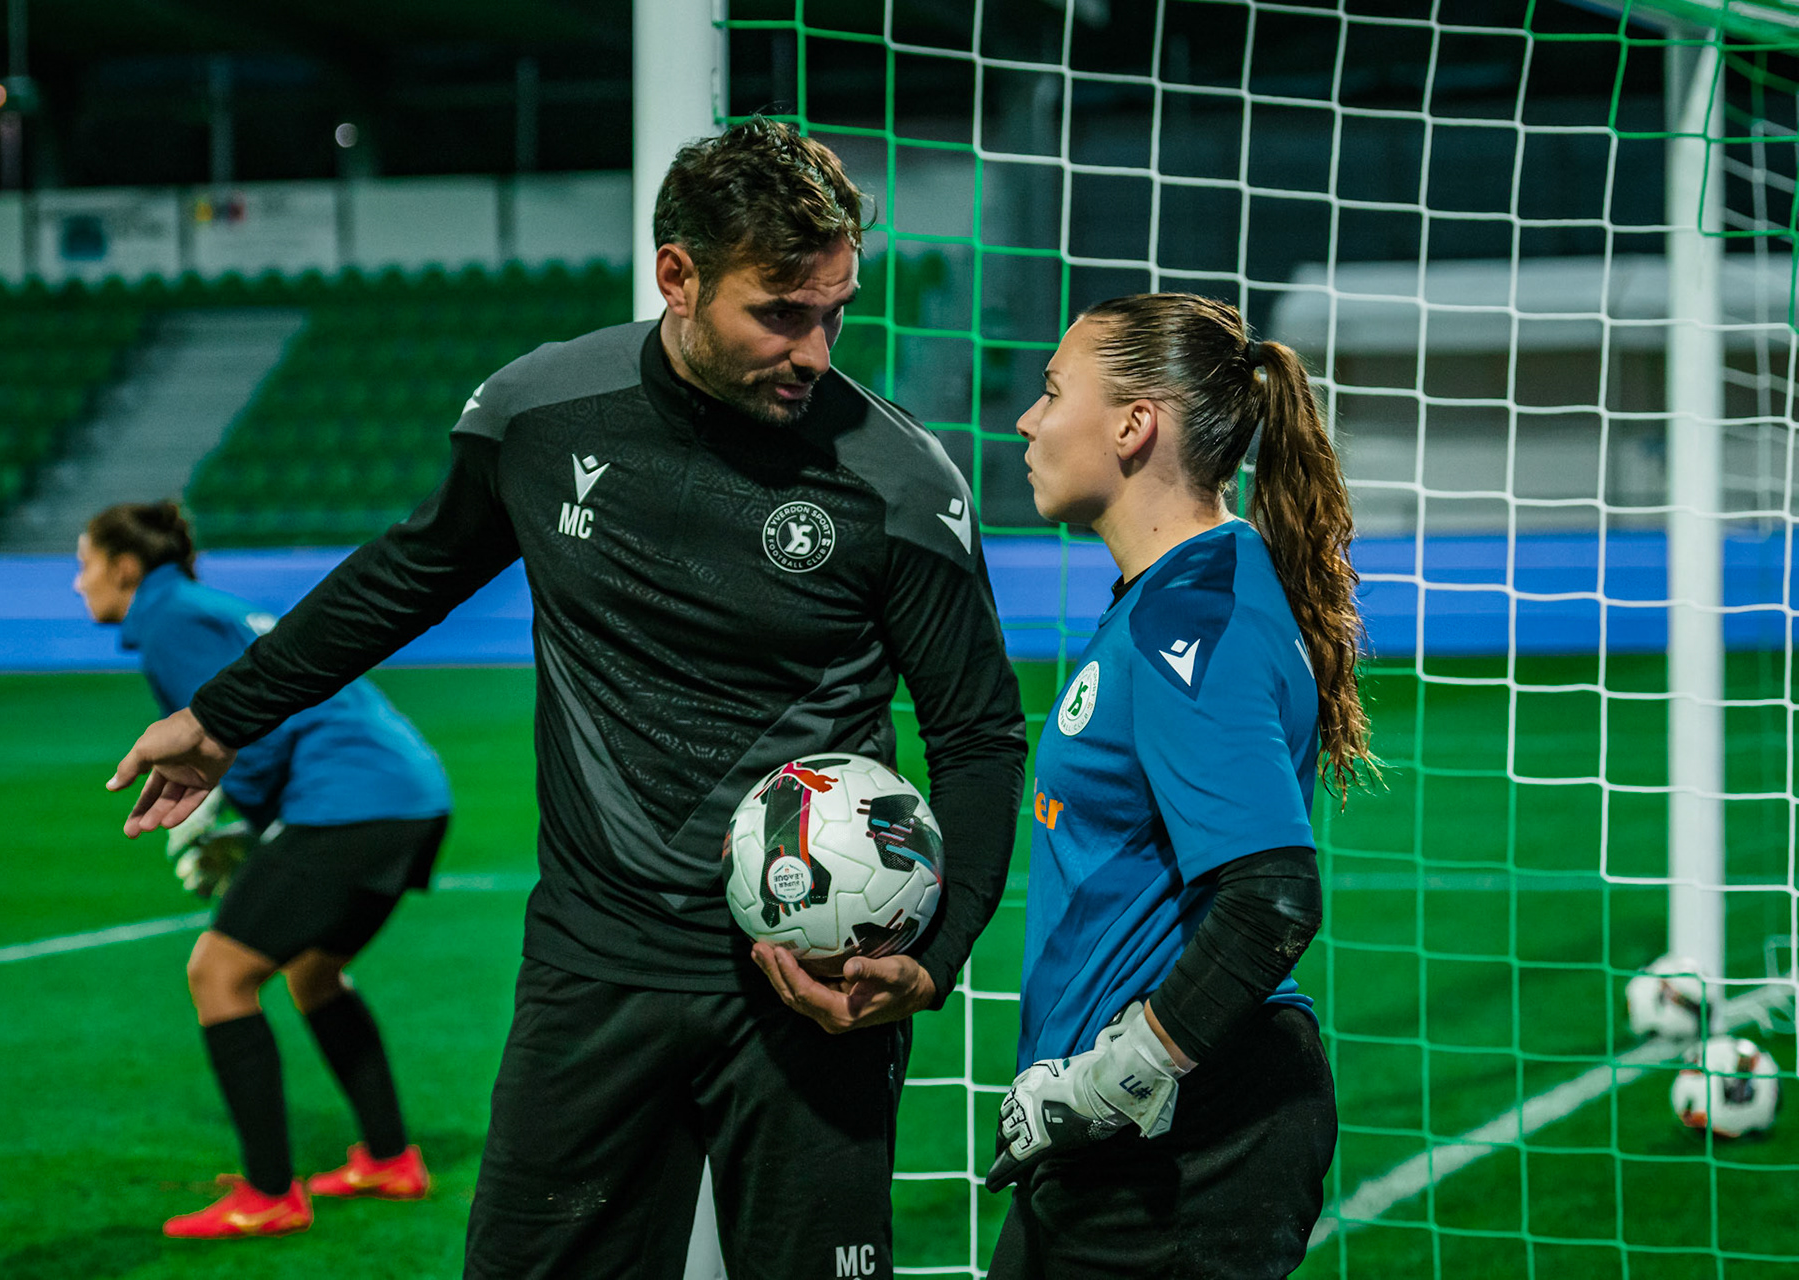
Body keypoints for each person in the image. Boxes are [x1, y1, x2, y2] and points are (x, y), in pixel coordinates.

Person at [103, 118, 1028, 1277]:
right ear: (677, 276)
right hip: (594, 966)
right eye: (782, 313)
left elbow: (981, 734)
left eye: (835, 311)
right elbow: (408, 573)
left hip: (809, 981)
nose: (816, 350)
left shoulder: (897, 481)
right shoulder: (540, 414)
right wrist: (224, 714)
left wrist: (932, 955)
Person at [984, 293, 1375, 1277]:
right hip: (1138, 1141)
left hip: (1188, 1142)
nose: (1027, 421)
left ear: (1133, 424)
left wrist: (1119, 1076)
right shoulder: (1174, 596)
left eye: (1051, 392)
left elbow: (1272, 895)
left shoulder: (1191, 621)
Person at [75, 501, 452, 1239]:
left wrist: (236, 817)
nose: (79, 582)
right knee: (313, 972)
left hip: (351, 799)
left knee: (218, 974)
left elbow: (242, 730)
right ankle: (388, 1158)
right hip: (409, 791)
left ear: (125, 568)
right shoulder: (207, 604)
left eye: (84, 564)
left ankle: (270, 1194)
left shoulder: (170, 619)